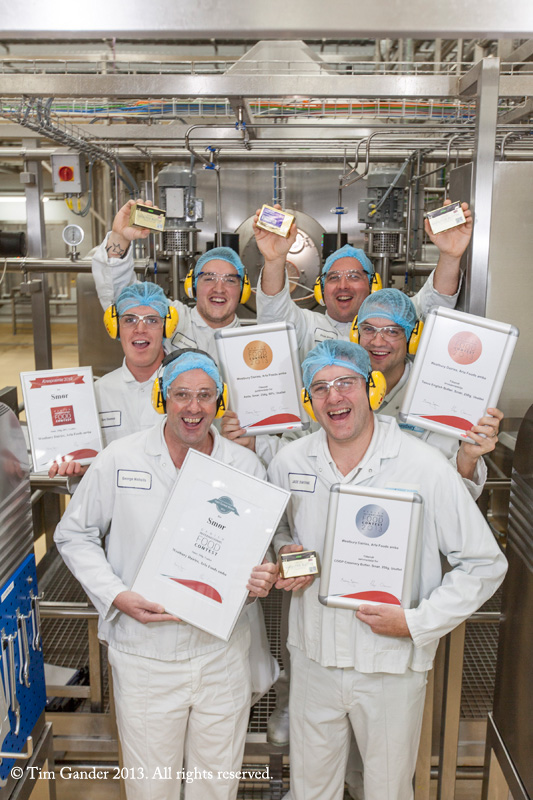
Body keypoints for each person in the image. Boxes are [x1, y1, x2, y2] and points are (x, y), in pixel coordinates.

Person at [267, 339, 507, 800]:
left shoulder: (424, 466)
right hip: (314, 657)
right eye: (319, 387)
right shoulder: (291, 462)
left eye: (345, 383)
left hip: (391, 665)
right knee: (310, 789)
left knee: (387, 791)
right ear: (308, 399)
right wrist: (289, 558)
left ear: (370, 387)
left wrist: (416, 622)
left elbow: (483, 564)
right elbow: (282, 534)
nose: (333, 396)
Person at [54, 350, 279, 800]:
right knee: (150, 786)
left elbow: (259, 555)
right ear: (163, 397)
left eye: (203, 395)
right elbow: (73, 534)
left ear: (219, 400)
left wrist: (260, 581)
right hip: (145, 655)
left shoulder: (245, 467)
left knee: (215, 785)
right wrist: (116, 595)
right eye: (181, 395)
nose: (192, 407)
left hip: (220, 653)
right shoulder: (121, 458)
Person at [254, 200, 472, 362]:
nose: (343, 285)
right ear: (321, 290)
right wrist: (274, 260)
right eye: (333, 278)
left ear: (373, 286)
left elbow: (436, 301)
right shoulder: (305, 325)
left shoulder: (398, 320)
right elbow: (274, 313)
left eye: (354, 276)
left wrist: (450, 256)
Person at [355, 288, 503, 499]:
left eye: (392, 331)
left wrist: (468, 457)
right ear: (356, 333)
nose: (377, 342)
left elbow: (458, 496)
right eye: (369, 329)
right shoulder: (341, 387)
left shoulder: (435, 391)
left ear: (412, 337)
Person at [91, 200, 249, 361]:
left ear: (243, 291)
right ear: (192, 286)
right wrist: (120, 237)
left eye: (230, 280)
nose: (219, 288)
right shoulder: (171, 318)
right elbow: (124, 298)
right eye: (209, 278)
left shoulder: (250, 344)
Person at [48, 281, 170, 482]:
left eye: (151, 320)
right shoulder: (96, 393)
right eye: (129, 320)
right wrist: (77, 465)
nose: (140, 329)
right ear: (115, 327)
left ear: (166, 327)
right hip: (114, 510)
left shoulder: (186, 391)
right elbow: (90, 463)